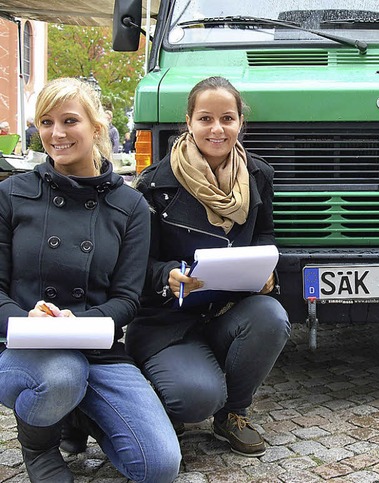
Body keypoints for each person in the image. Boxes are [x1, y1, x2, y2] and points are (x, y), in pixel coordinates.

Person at [0, 77, 181, 483]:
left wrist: (81, 322)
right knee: (62, 376)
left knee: (159, 467)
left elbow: (127, 298)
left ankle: (79, 415)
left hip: (97, 348)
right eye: (45, 122)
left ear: (96, 128)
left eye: (69, 121)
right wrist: (25, 319)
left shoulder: (130, 204)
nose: (56, 134)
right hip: (25, 346)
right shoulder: (12, 193)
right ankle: (39, 446)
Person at [126, 76, 290, 458]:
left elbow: (265, 234)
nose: (217, 129)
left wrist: (266, 268)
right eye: (205, 119)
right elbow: (137, 263)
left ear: (239, 123)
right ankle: (174, 395)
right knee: (195, 399)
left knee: (272, 316)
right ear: (189, 122)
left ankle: (233, 412)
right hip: (170, 321)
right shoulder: (154, 185)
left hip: (227, 309)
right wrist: (166, 274)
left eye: (227, 118)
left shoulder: (258, 175)